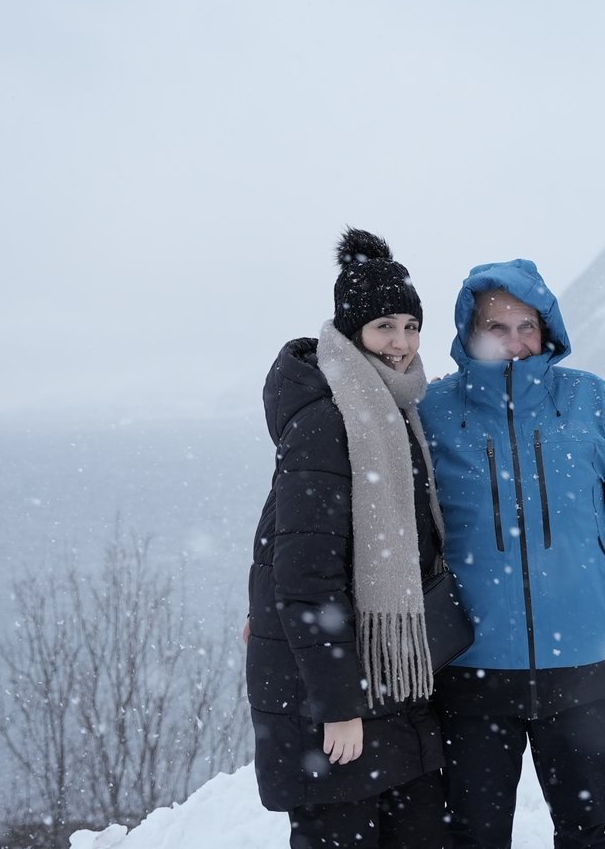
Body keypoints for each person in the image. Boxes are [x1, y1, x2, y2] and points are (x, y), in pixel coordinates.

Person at [418, 259, 605, 849]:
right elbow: (382, 519)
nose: (515, 342)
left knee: (592, 832)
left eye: (527, 326)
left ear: (547, 330)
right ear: (468, 332)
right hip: (471, 671)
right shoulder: (433, 411)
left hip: (585, 670)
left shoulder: (593, 401)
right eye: (496, 327)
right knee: (472, 837)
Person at [245, 228, 450, 849]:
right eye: (385, 326)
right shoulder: (328, 420)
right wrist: (338, 707)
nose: (401, 343)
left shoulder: (394, 412)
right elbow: (306, 576)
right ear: (351, 330)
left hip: (391, 690)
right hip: (336, 704)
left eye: (411, 326)